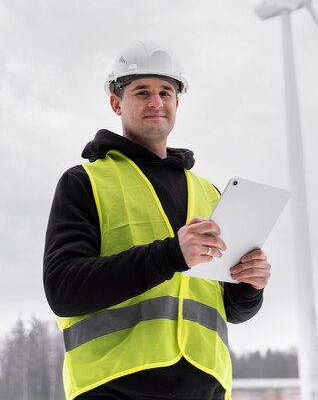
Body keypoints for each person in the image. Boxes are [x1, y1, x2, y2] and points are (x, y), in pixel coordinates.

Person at [43, 40, 271, 400]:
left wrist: (249, 286)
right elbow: (63, 290)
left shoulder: (211, 194)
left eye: (166, 91)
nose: (156, 102)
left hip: (207, 389)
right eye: (142, 92)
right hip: (113, 388)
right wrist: (170, 255)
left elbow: (228, 309)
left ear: (177, 103)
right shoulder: (85, 183)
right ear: (116, 102)